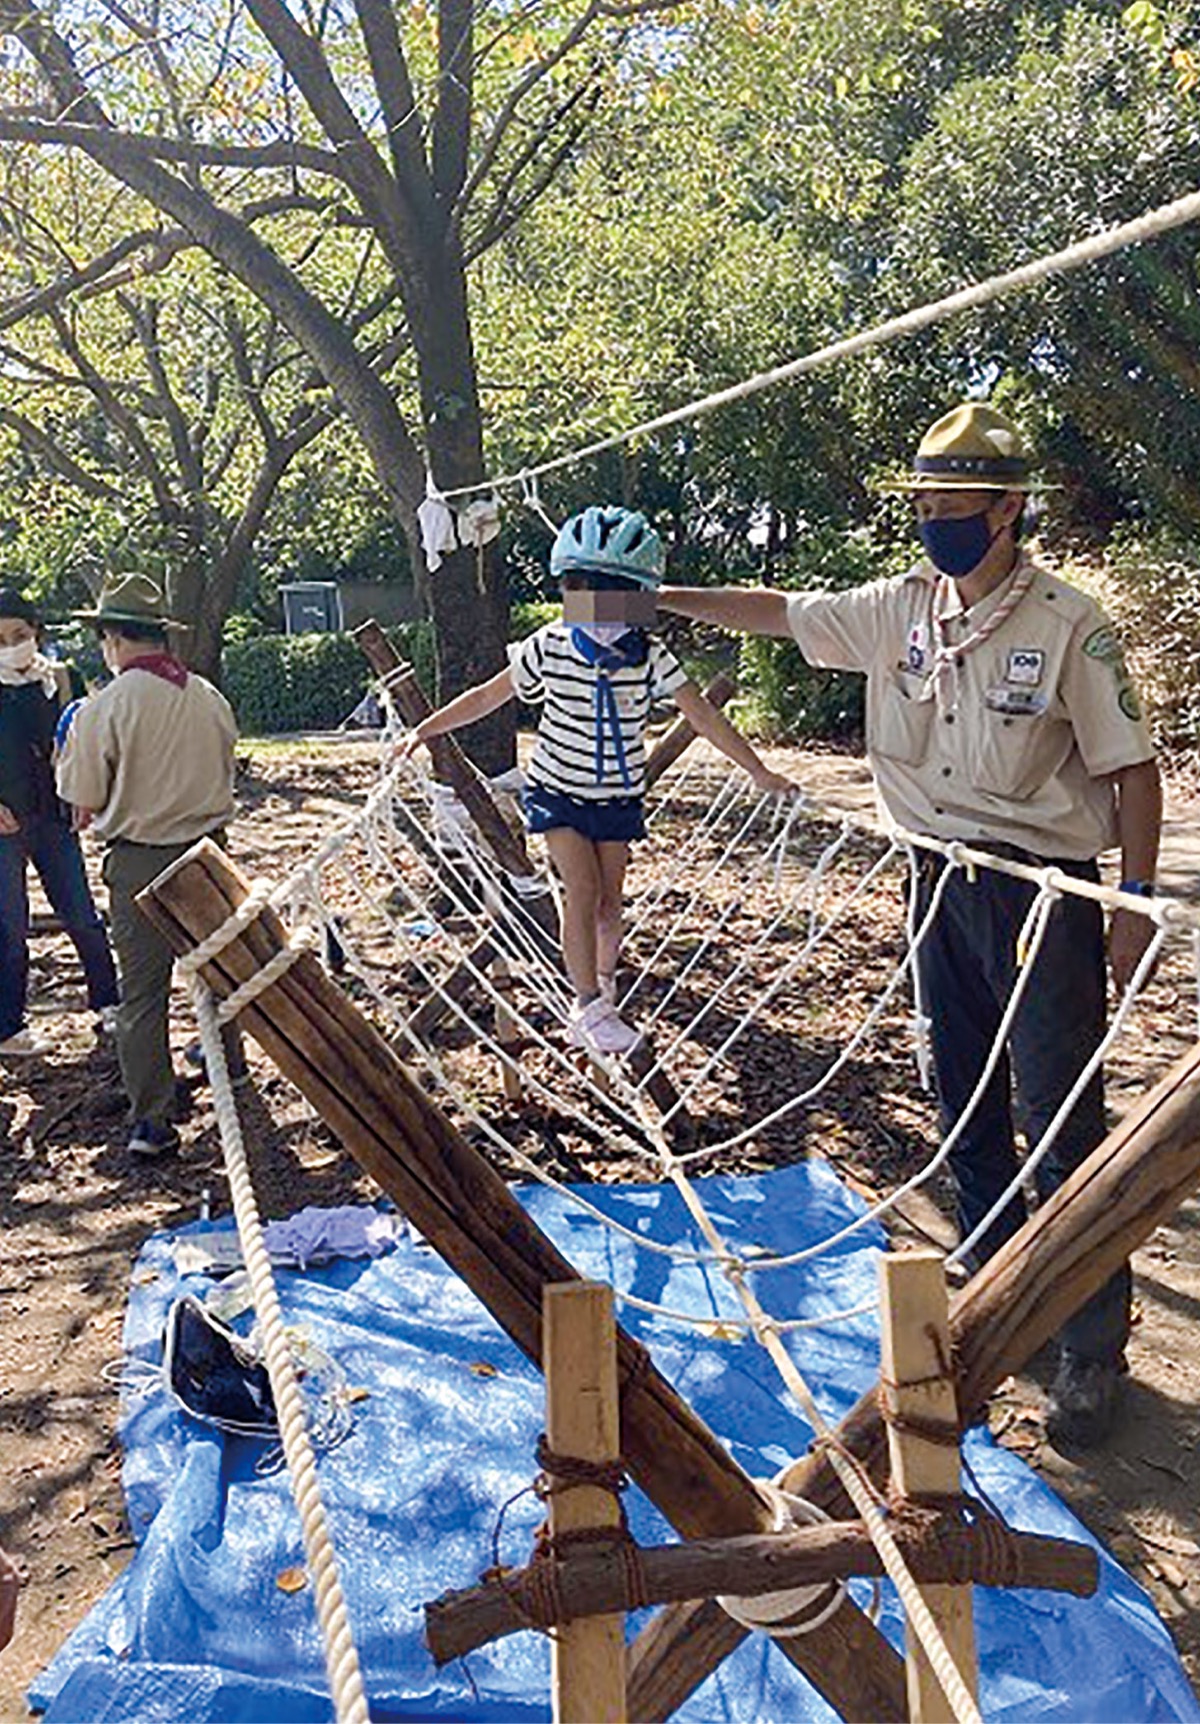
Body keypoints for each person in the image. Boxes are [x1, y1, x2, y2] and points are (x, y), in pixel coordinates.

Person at [657, 403, 1161, 1449]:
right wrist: (658, 596)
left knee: (1059, 1114)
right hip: (935, 877)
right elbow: (781, 611)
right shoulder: (898, 609)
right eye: (923, 504)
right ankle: (998, 1290)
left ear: (1008, 510)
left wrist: (1132, 902)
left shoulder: (1069, 624)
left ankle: (1089, 1346)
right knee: (960, 1091)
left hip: (1043, 890)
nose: (934, 520)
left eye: (953, 503)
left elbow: (1132, 770)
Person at [400, 504, 796, 1055]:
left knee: (611, 904)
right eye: (582, 591)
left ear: (640, 597)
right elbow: (488, 695)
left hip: (617, 797)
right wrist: (427, 729)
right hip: (558, 793)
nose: (598, 607)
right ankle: (585, 1005)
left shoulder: (649, 656)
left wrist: (758, 770)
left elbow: (702, 716)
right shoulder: (550, 646)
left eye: (615, 594)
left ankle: (603, 988)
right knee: (582, 892)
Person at [56, 574, 239, 1158]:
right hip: (209, 853)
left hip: (140, 859)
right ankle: (231, 1071)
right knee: (223, 969)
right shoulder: (208, 696)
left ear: (112, 638)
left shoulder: (105, 707)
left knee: (143, 993)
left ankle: (152, 1120)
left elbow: (82, 794)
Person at [0, 587, 118, 1058]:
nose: (11, 646)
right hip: (4, 825)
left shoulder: (63, 680)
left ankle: (109, 1003)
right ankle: (9, 1026)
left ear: (37, 632)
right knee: (9, 928)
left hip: (54, 817)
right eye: (0, 640)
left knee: (82, 915)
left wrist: (81, 789)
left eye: (19, 635)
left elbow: (87, 739)